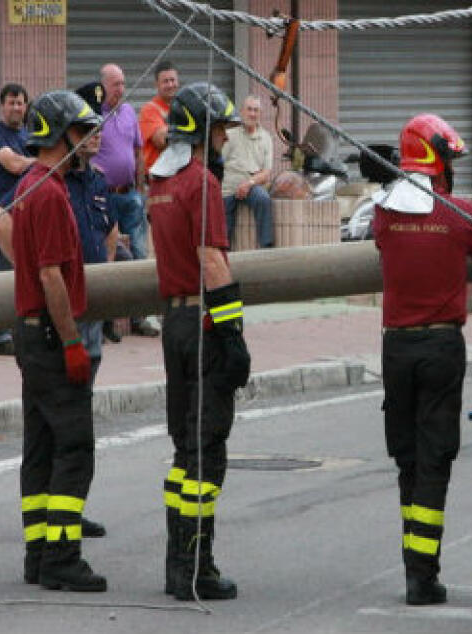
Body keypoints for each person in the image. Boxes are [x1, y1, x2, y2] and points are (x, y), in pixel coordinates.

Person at [373, 113, 472, 606]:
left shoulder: (383, 215)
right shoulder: (461, 214)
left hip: (396, 348)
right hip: (440, 348)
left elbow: (386, 231)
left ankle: (415, 568)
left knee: (408, 460)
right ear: (437, 161)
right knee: (435, 461)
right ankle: (422, 576)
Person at [148, 82, 249, 601]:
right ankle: (196, 567)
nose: (226, 139)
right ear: (203, 131)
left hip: (175, 325)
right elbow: (212, 260)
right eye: (222, 129)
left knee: (185, 448)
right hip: (206, 325)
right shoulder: (201, 183)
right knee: (207, 450)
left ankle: (178, 562)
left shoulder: (159, 184)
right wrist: (233, 334)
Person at [12, 90, 106, 592]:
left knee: (41, 447)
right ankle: (62, 558)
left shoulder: (31, 185)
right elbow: (51, 277)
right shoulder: (48, 192)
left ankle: (38, 554)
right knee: (74, 446)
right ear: (62, 134)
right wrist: (72, 343)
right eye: (84, 131)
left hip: (32, 336)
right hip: (50, 338)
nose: (91, 139)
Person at [93, 62, 159, 337]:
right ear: (102, 87)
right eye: (115, 84)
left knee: (140, 255)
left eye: (122, 83)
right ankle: (107, 323)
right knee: (107, 259)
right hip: (104, 198)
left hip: (130, 195)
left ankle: (139, 318)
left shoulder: (130, 112)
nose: (120, 89)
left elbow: (139, 153)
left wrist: (141, 191)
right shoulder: (94, 116)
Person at [0, 82, 34, 355]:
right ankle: (0, 336)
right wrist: (39, 161)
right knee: (3, 272)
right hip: (5, 213)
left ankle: (19, 329)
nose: (16, 107)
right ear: (2, 106)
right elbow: (13, 164)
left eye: (21, 103)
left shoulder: (29, 134)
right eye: (11, 102)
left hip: (28, 213)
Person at [220, 95, 275, 249]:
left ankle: (267, 247)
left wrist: (249, 183)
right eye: (249, 109)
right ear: (242, 112)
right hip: (227, 188)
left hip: (251, 185)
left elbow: (266, 173)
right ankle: (223, 254)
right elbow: (217, 164)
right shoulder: (229, 135)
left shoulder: (266, 138)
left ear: (260, 114)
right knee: (223, 233)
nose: (252, 114)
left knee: (263, 199)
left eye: (256, 110)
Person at [140, 60, 179, 172]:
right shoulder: (149, 109)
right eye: (165, 81)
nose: (170, 85)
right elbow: (161, 140)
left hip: (177, 175)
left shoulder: (183, 108)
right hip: (157, 178)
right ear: (156, 84)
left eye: (173, 80)